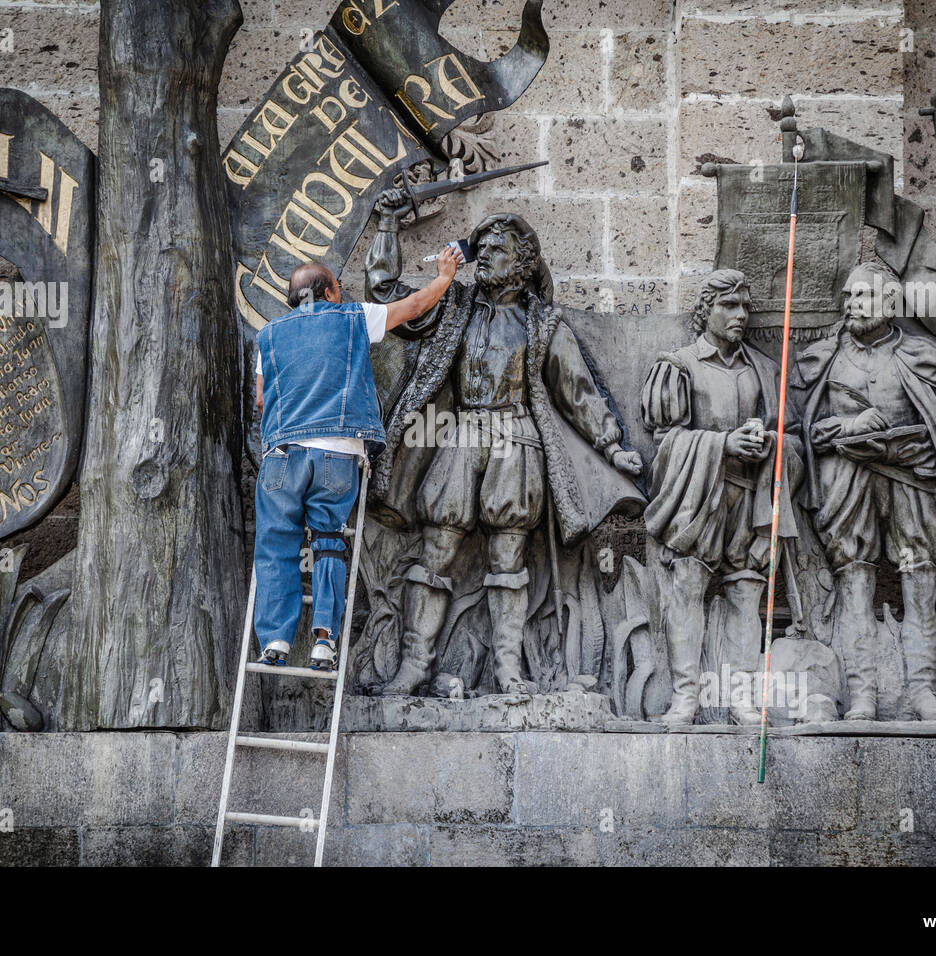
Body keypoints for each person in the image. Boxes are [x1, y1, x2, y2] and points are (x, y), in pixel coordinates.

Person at [365, 190, 643, 696]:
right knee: (437, 546)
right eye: (483, 245)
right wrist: (386, 224)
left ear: (522, 263)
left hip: (518, 438)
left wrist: (611, 445)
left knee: (508, 557)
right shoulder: (453, 306)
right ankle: (413, 666)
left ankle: (508, 669)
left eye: (496, 247)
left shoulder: (543, 323)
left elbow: (577, 390)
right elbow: (385, 296)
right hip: (461, 433)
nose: (483, 254)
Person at [253, 253, 461, 668]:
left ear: (294, 298)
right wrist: (444, 277)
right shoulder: (351, 317)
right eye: (339, 289)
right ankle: (324, 642)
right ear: (330, 292)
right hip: (337, 455)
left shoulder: (269, 335)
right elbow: (415, 308)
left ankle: (274, 641)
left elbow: (261, 400)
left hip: (282, 456)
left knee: (276, 546)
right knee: (329, 543)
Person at [795, 261, 936, 720]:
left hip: (912, 479)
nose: (852, 305)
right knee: (855, 580)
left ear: (891, 303)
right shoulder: (823, 358)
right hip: (849, 483)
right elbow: (802, 430)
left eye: (862, 296)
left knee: (920, 580)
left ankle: (924, 693)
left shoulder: (926, 356)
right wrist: (846, 424)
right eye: (849, 297)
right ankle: (862, 694)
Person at [640, 269, 802, 726]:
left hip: (749, 499)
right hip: (699, 496)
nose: (741, 315)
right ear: (705, 311)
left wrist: (770, 443)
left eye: (745, 306)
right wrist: (722, 444)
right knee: (688, 588)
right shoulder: (679, 366)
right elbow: (666, 440)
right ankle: (685, 697)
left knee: (747, 596)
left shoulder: (766, 371)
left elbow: (794, 442)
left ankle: (741, 699)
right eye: (729, 305)